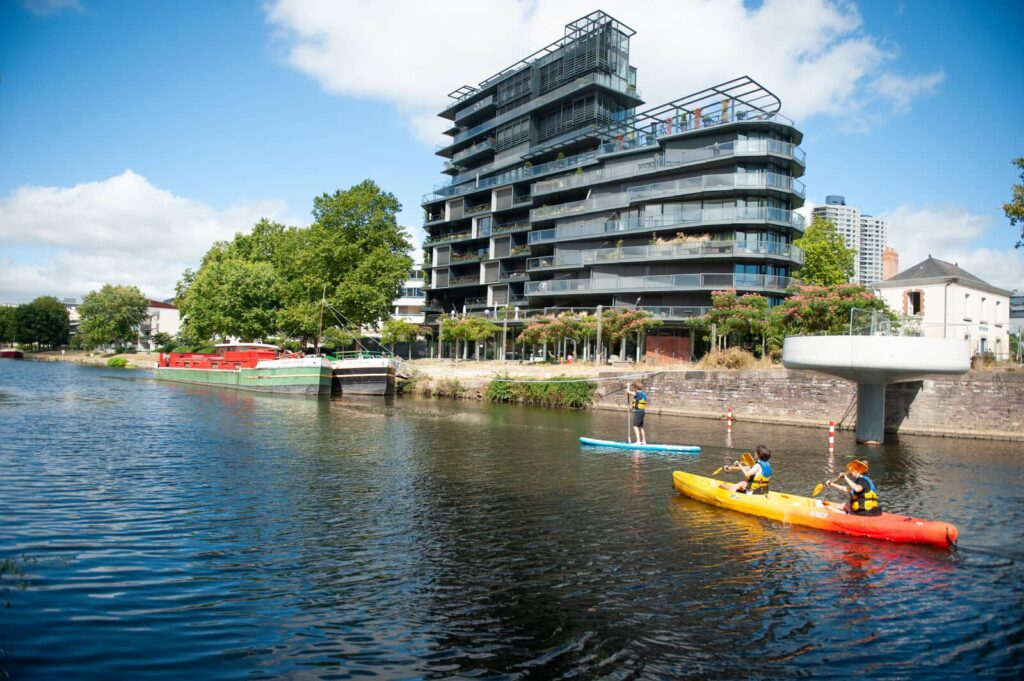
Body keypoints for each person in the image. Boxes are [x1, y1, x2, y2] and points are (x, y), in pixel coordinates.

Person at [626, 381, 648, 445]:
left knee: (635, 426)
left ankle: (638, 441)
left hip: (639, 412)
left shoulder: (638, 393)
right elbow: (637, 402)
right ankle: (644, 441)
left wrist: (628, 386)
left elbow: (628, 392)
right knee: (641, 427)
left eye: (634, 387)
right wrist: (631, 409)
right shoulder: (643, 393)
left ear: (636, 388)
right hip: (642, 411)